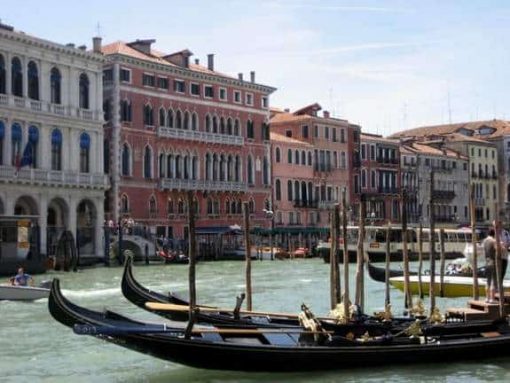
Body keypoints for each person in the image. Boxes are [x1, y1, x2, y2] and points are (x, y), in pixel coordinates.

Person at [483, 229, 497, 303]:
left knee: (487, 281)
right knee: (493, 281)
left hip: (486, 262)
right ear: (494, 234)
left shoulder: (484, 241)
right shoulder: (493, 241)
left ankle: (487, 298)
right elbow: (497, 249)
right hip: (493, 262)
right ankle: (492, 299)